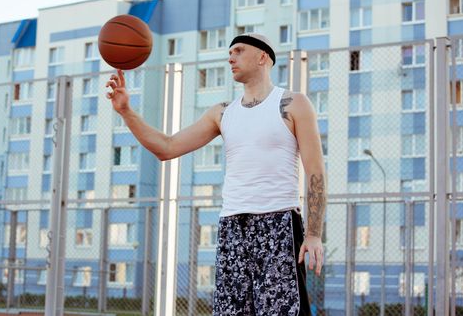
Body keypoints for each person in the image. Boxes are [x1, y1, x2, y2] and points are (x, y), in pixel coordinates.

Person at [106, 33, 326, 315]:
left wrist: (314, 234)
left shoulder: (293, 103)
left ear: (262, 57)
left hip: (279, 223)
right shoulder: (222, 113)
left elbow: (315, 171)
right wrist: (126, 111)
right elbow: (167, 147)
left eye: (238, 50)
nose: (230, 57)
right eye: (229, 52)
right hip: (232, 226)